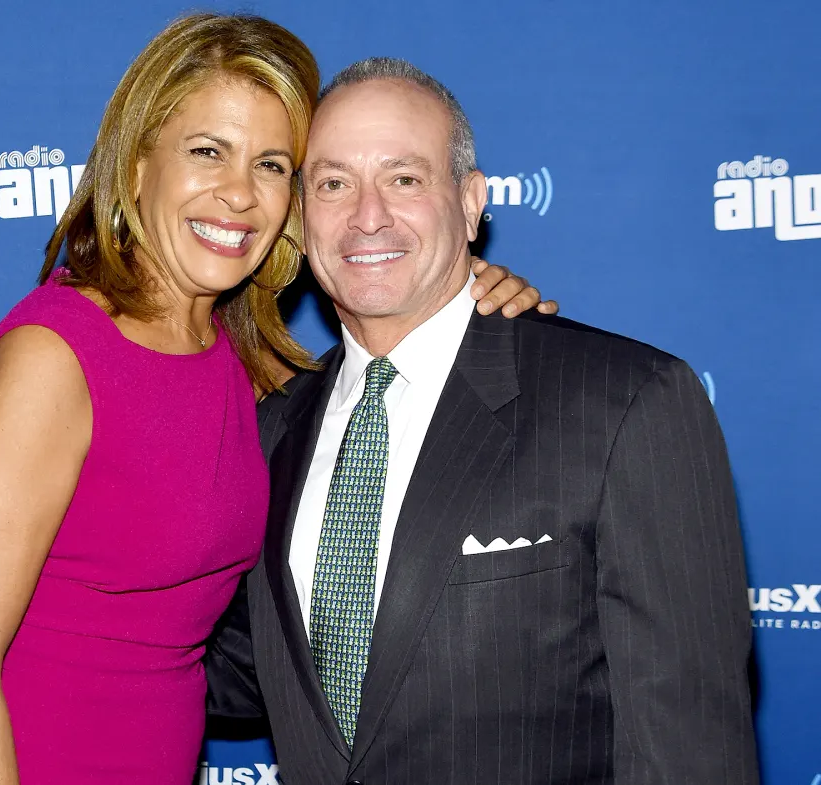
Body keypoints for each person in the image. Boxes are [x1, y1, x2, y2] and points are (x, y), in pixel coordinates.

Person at [0, 16, 553, 785]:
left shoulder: (240, 362)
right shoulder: (52, 359)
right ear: (138, 165)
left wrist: (471, 298)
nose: (239, 193)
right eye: (208, 151)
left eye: (271, 165)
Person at [206, 58, 760, 785]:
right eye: (333, 183)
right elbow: (237, 671)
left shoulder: (625, 402)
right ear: (299, 215)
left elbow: (689, 745)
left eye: (405, 179)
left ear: (470, 203)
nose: (368, 215)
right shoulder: (272, 426)